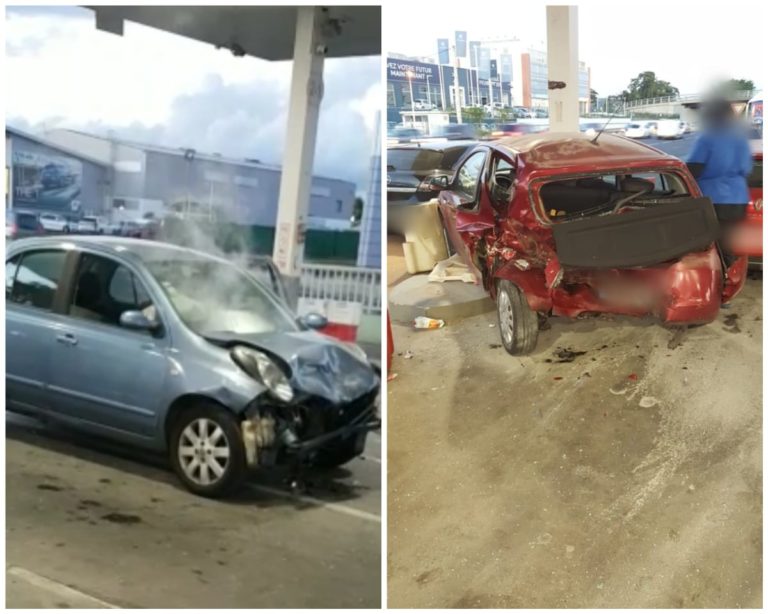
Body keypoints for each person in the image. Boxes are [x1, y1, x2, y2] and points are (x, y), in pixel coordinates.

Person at [686, 96, 753, 268]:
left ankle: (715, 283)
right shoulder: (740, 138)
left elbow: (693, 168)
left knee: (709, 247)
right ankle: (726, 279)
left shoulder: (707, 137)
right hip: (738, 199)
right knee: (728, 246)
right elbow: (747, 169)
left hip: (713, 199)